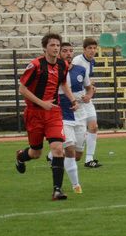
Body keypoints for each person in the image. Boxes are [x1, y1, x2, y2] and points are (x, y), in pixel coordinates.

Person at [14, 33, 79, 200]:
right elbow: (22, 89)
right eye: (52, 45)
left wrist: (72, 99)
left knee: (58, 149)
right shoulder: (35, 65)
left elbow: (63, 83)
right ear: (45, 48)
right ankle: (21, 156)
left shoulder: (63, 65)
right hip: (34, 113)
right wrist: (42, 103)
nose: (56, 48)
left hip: (53, 112)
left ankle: (57, 190)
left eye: (58, 45)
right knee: (36, 153)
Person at [57, 42, 94, 194]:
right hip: (63, 115)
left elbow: (90, 87)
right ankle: (76, 185)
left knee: (78, 155)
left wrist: (88, 96)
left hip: (80, 115)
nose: (68, 53)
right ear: (59, 54)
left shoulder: (81, 70)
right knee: (70, 150)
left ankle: (55, 157)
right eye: (64, 51)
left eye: (71, 51)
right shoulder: (55, 70)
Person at [72, 37, 101, 168]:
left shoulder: (92, 61)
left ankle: (89, 160)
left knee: (93, 126)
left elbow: (86, 80)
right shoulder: (77, 61)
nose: (92, 50)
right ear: (84, 49)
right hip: (76, 100)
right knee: (76, 132)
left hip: (86, 99)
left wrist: (91, 89)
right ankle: (52, 155)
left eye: (94, 48)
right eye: (89, 48)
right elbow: (72, 80)